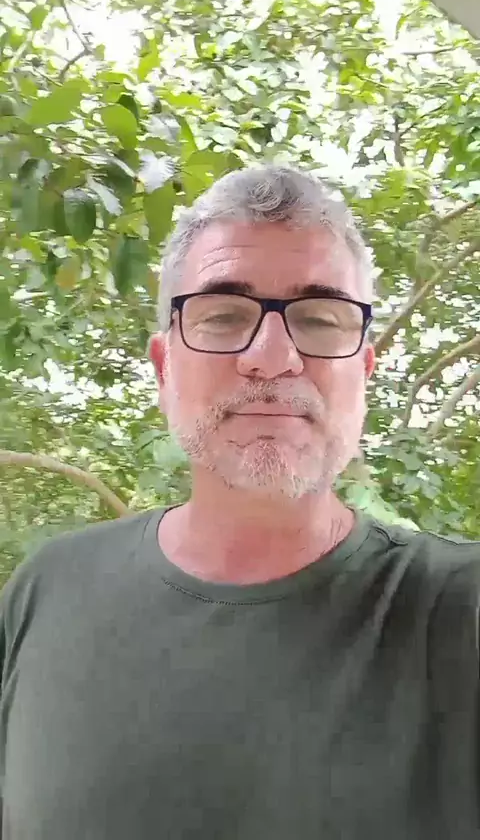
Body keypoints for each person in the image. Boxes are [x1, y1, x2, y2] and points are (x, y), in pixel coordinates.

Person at [0, 164, 478, 840]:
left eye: (320, 319)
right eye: (224, 316)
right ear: (164, 368)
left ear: (364, 372)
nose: (273, 357)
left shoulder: (462, 607)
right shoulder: (46, 591)